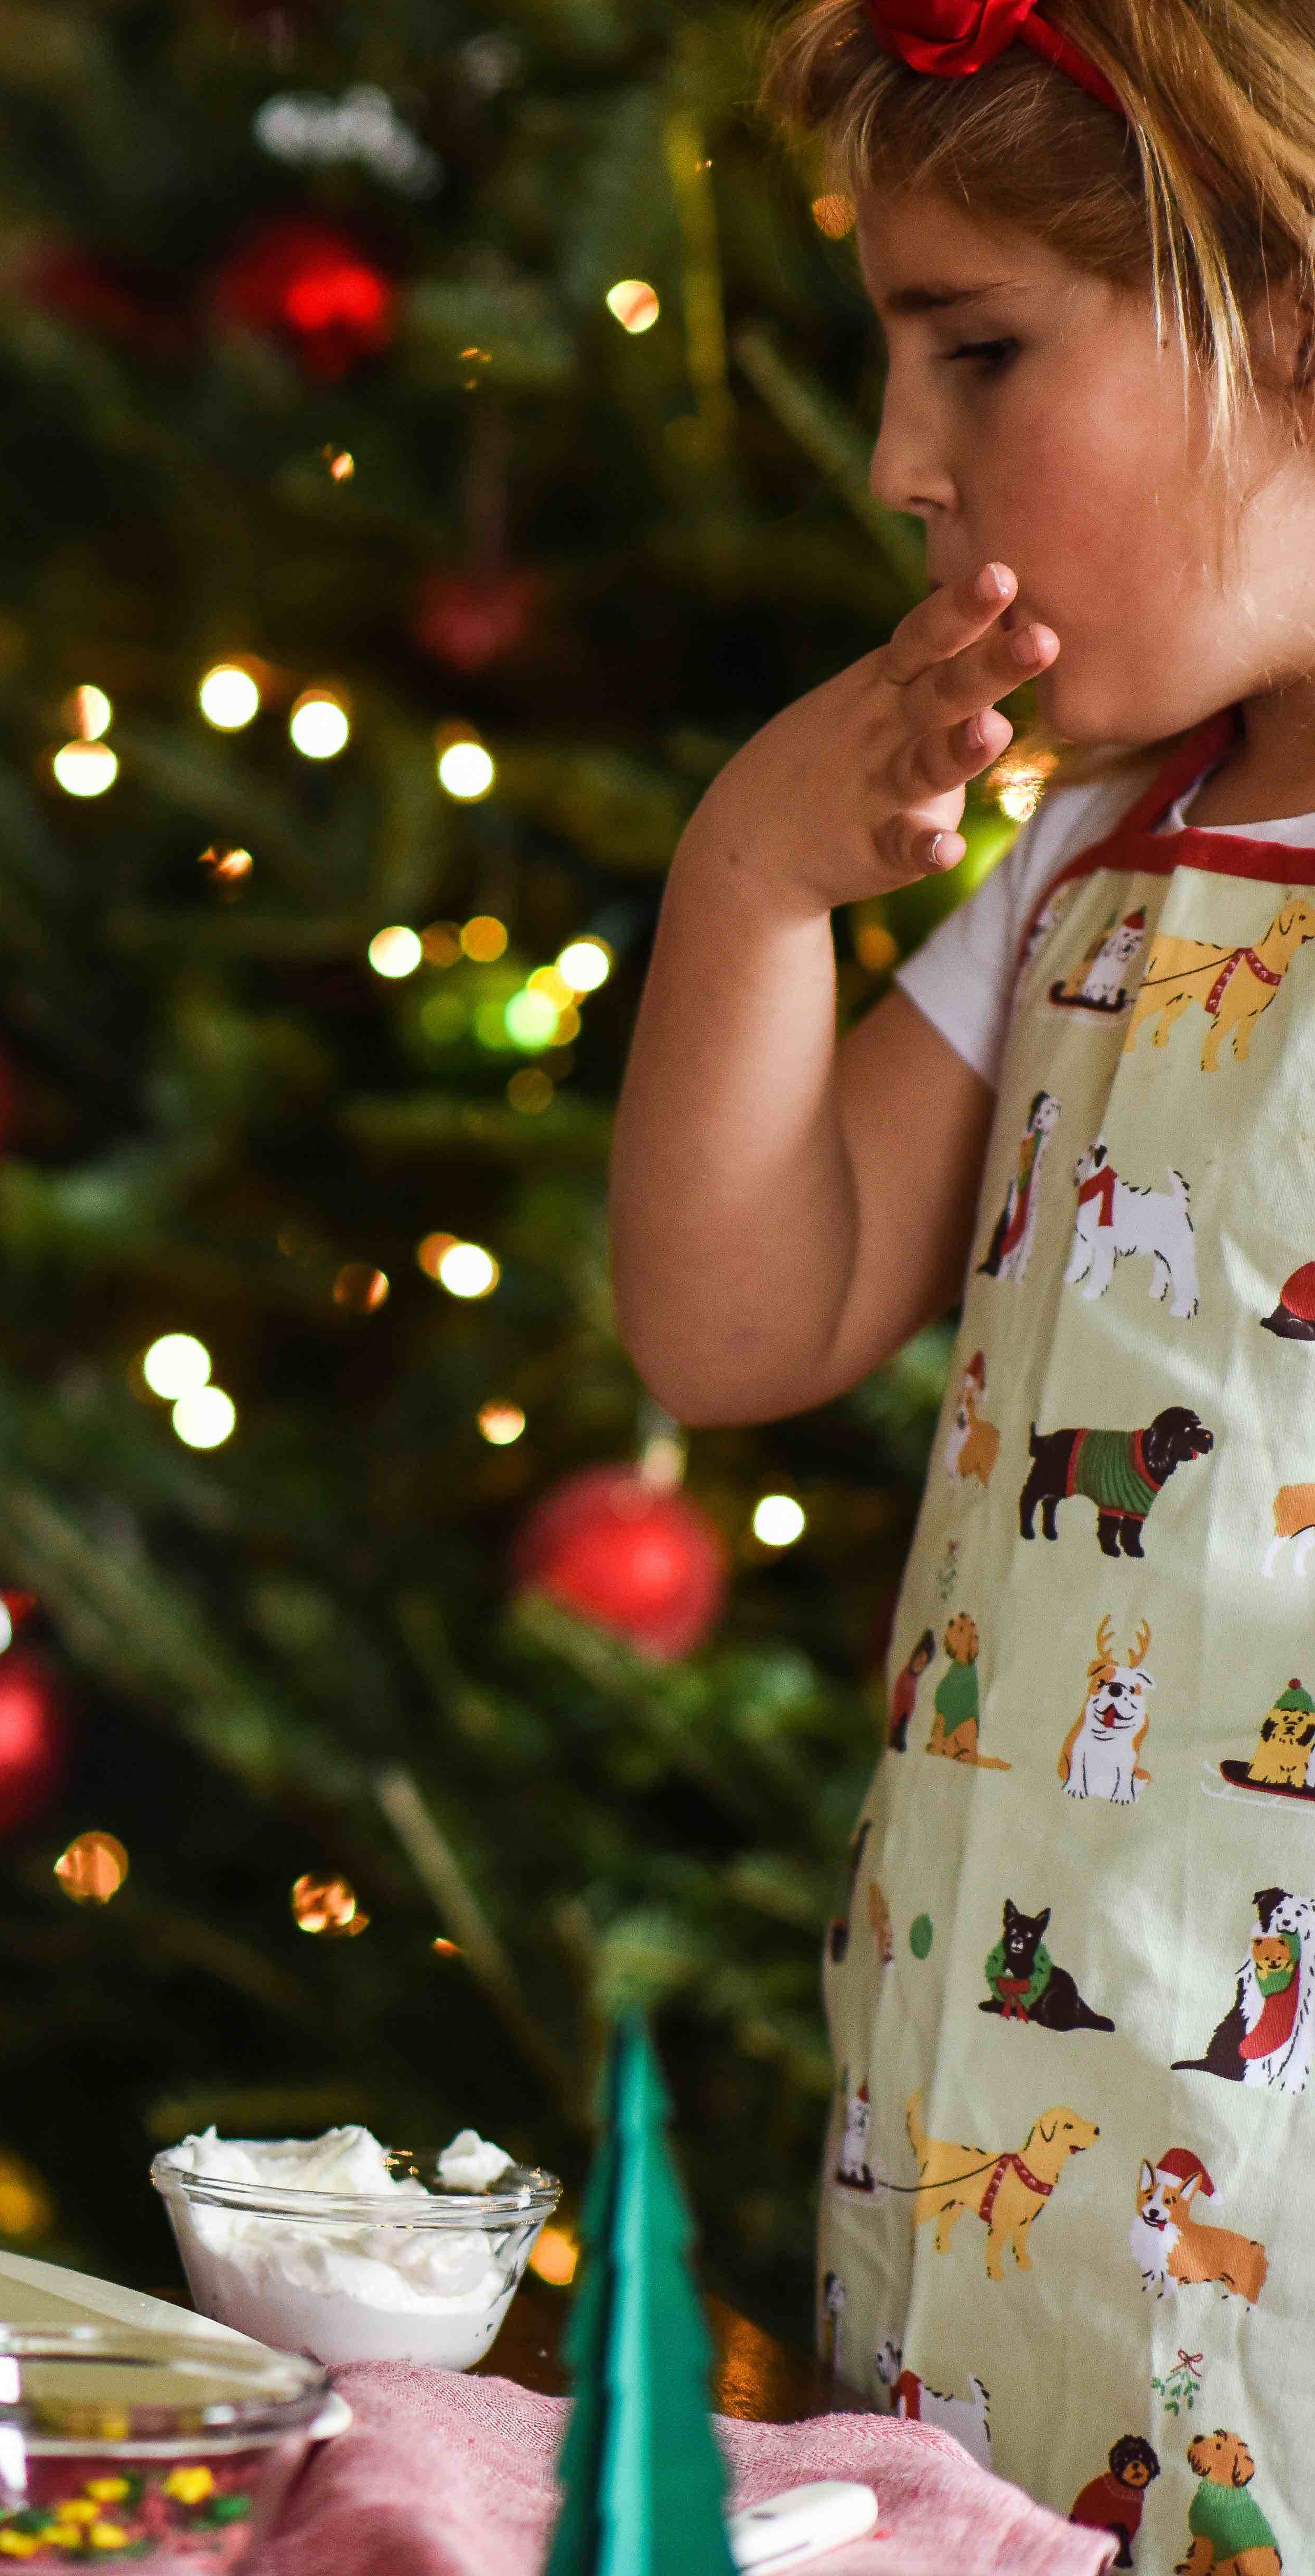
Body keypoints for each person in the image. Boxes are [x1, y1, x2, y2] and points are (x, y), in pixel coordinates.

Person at [612, 0, 1315, 2519]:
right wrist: (753, 873)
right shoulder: (1084, 852)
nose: (901, 460)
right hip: (976, 2153)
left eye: (980, 350)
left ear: (1288, 309)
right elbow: (736, 1311)